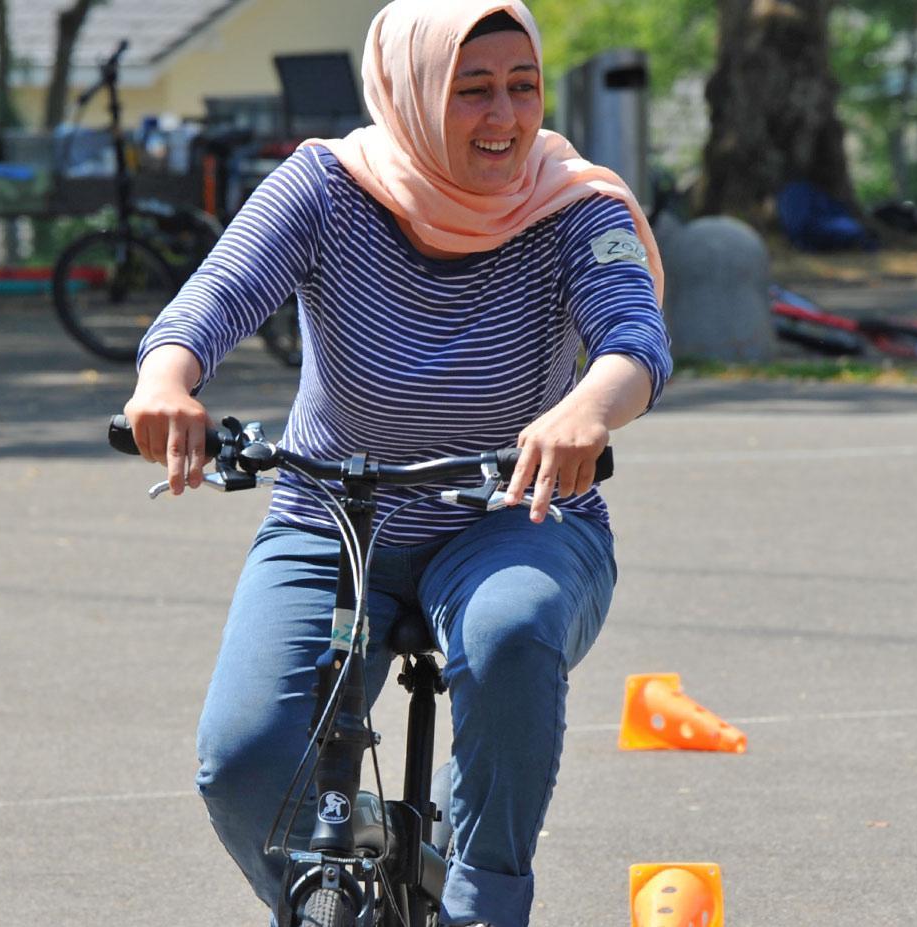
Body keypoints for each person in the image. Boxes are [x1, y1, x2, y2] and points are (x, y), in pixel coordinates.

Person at [119, 1, 669, 924]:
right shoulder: (326, 188)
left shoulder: (574, 205)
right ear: (410, 92)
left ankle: (479, 900)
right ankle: (341, 889)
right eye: (472, 90)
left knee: (509, 634)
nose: (505, 117)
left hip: (518, 514)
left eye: (523, 86)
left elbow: (633, 337)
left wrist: (586, 408)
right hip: (333, 520)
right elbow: (213, 297)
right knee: (244, 759)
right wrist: (166, 380)